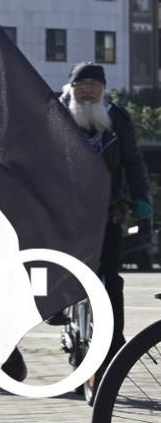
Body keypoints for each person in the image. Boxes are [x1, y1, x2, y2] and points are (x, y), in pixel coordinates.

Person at [60, 62, 152, 390]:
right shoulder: (55, 115)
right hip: (63, 213)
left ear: (103, 89)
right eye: (81, 83)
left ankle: (113, 343)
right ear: (71, 87)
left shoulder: (118, 118)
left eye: (93, 84)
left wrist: (142, 200)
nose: (87, 89)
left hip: (107, 211)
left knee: (110, 279)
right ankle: (57, 312)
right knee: (54, 272)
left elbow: (133, 163)